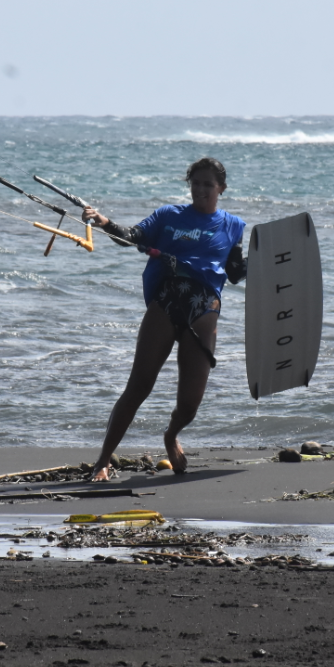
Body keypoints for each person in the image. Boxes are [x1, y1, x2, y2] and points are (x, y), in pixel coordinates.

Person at [82, 157, 247, 481]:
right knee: (139, 386)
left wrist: (260, 264)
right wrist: (104, 222)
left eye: (208, 184)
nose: (200, 189)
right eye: (195, 183)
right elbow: (131, 236)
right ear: (189, 184)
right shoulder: (168, 216)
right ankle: (102, 460)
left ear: (221, 189)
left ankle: (171, 435)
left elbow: (235, 273)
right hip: (166, 302)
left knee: (189, 405)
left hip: (204, 309)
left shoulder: (233, 226)